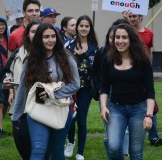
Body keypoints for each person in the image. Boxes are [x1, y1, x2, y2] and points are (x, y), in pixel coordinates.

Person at [12, 23, 80, 160]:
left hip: (61, 110)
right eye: (46, 37)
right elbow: (23, 89)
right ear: (39, 39)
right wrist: (16, 114)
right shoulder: (30, 60)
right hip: (38, 110)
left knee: (56, 150)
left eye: (53, 36)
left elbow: (75, 84)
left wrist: (53, 93)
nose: (50, 40)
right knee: (38, 148)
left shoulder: (67, 58)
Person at [100, 23, 155, 159]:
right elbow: (104, 87)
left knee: (135, 151)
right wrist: (103, 107)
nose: (120, 41)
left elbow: (150, 90)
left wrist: (148, 115)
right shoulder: (108, 59)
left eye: (124, 37)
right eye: (117, 37)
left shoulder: (142, 60)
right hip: (116, 108)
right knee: (113, 147)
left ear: (131, 40)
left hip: (138, 109)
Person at [122, 10, 162, 147]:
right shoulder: (128, 33)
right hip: (130, 72)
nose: (132, 19)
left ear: (141, 16)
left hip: (144, 72)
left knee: (152, 105)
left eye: (134, 16)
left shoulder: (149, 33)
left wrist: (150, 68)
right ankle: (129, 135)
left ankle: (153, 136)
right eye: (131, 16)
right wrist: (125, 20)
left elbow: (149, 51)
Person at [92, 18, 131, 160]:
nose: (115, 40)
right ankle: (112, 156)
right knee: (110, 129)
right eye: (112, 37)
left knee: (125, 130)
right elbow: (94, 72)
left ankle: (124, 154)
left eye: (119, 37)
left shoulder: (128, 55)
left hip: (124, 95)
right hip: (106, 96)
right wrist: (99, 87)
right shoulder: (102, 52)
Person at [4, 19, 42, 160]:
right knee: (24, 147)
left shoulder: (52, 54)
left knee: (41, 149)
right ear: (27, 34)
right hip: (21, 108)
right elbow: (8, 72)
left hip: (42, 108)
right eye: (33, 31)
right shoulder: (18, 54)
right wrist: (9, 84)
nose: (36, 35)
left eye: (39, 32)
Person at [64, 15, 99, 160]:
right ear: (76, 27)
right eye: (81, 26)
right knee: (70, 118)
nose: (84, 28)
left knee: (81, 119)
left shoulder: (95, 49)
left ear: (90, 28)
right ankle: (70, 142)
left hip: (86, 90)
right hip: (70, 88)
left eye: (87, 26)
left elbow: (97, 70)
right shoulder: (68, 45)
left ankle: (80, 152)